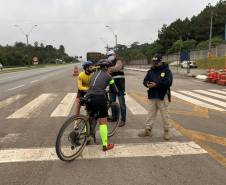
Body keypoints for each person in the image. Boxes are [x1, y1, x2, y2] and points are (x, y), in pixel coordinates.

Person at [138, 54, 173, 140]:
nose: (155, 64)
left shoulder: (166, 70)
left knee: (165, 115)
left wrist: (156, 85)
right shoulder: (151, 71)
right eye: (154, 62)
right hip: (152, 95)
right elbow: (145, 81)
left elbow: (169, 82)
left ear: (161, 61)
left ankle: (167, 131)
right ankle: (148, 130)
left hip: (162, 96)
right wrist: (147, 84)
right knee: (150, 114)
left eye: (157, 62)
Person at [86, 59, 119, 151]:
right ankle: (105, 145)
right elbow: (114, 90)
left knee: (90, 117)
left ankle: (86, 137)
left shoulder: (93, 75)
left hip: (88, 97)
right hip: (98, 98)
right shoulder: (109, 76)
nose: (109, 69)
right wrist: (118, 92)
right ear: (106, 67)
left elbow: (92, 86)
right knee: (103, 122)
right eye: (109, 67)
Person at [107, 50, 127, 127]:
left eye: (111, 55)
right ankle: (114, 117)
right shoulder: (108, 63)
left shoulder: (119, 62)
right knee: (112, 103)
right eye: (108, 56)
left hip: (120, 86)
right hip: (112, 86)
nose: (109, 57)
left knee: (122, 104)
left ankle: (123, 120)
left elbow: (116, 68)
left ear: (114, 55)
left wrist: (108, 69)